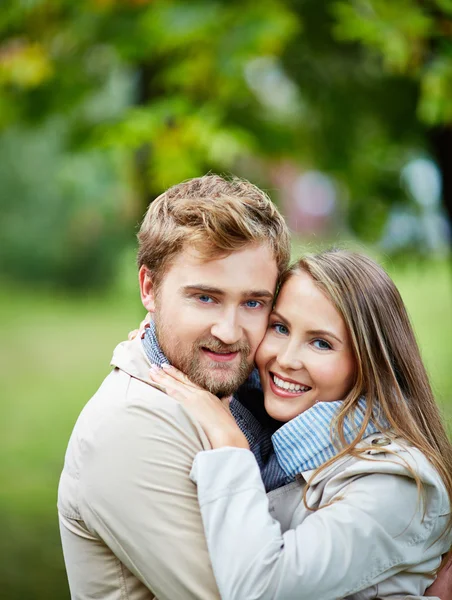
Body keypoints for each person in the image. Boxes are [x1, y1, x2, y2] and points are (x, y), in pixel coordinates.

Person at [148, 249, 452, 600]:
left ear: (369, 364)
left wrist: (230, 445)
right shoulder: (281, 430)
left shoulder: (398, 484)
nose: (286, 359)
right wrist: (159, 336)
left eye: (321, 343)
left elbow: (262, 589)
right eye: (280, 327)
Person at [58, 174, 292, 600]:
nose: (228, 331)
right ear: (150, 288)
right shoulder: (130, 429)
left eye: (253, 302)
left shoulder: (248, 394)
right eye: (205, 298)